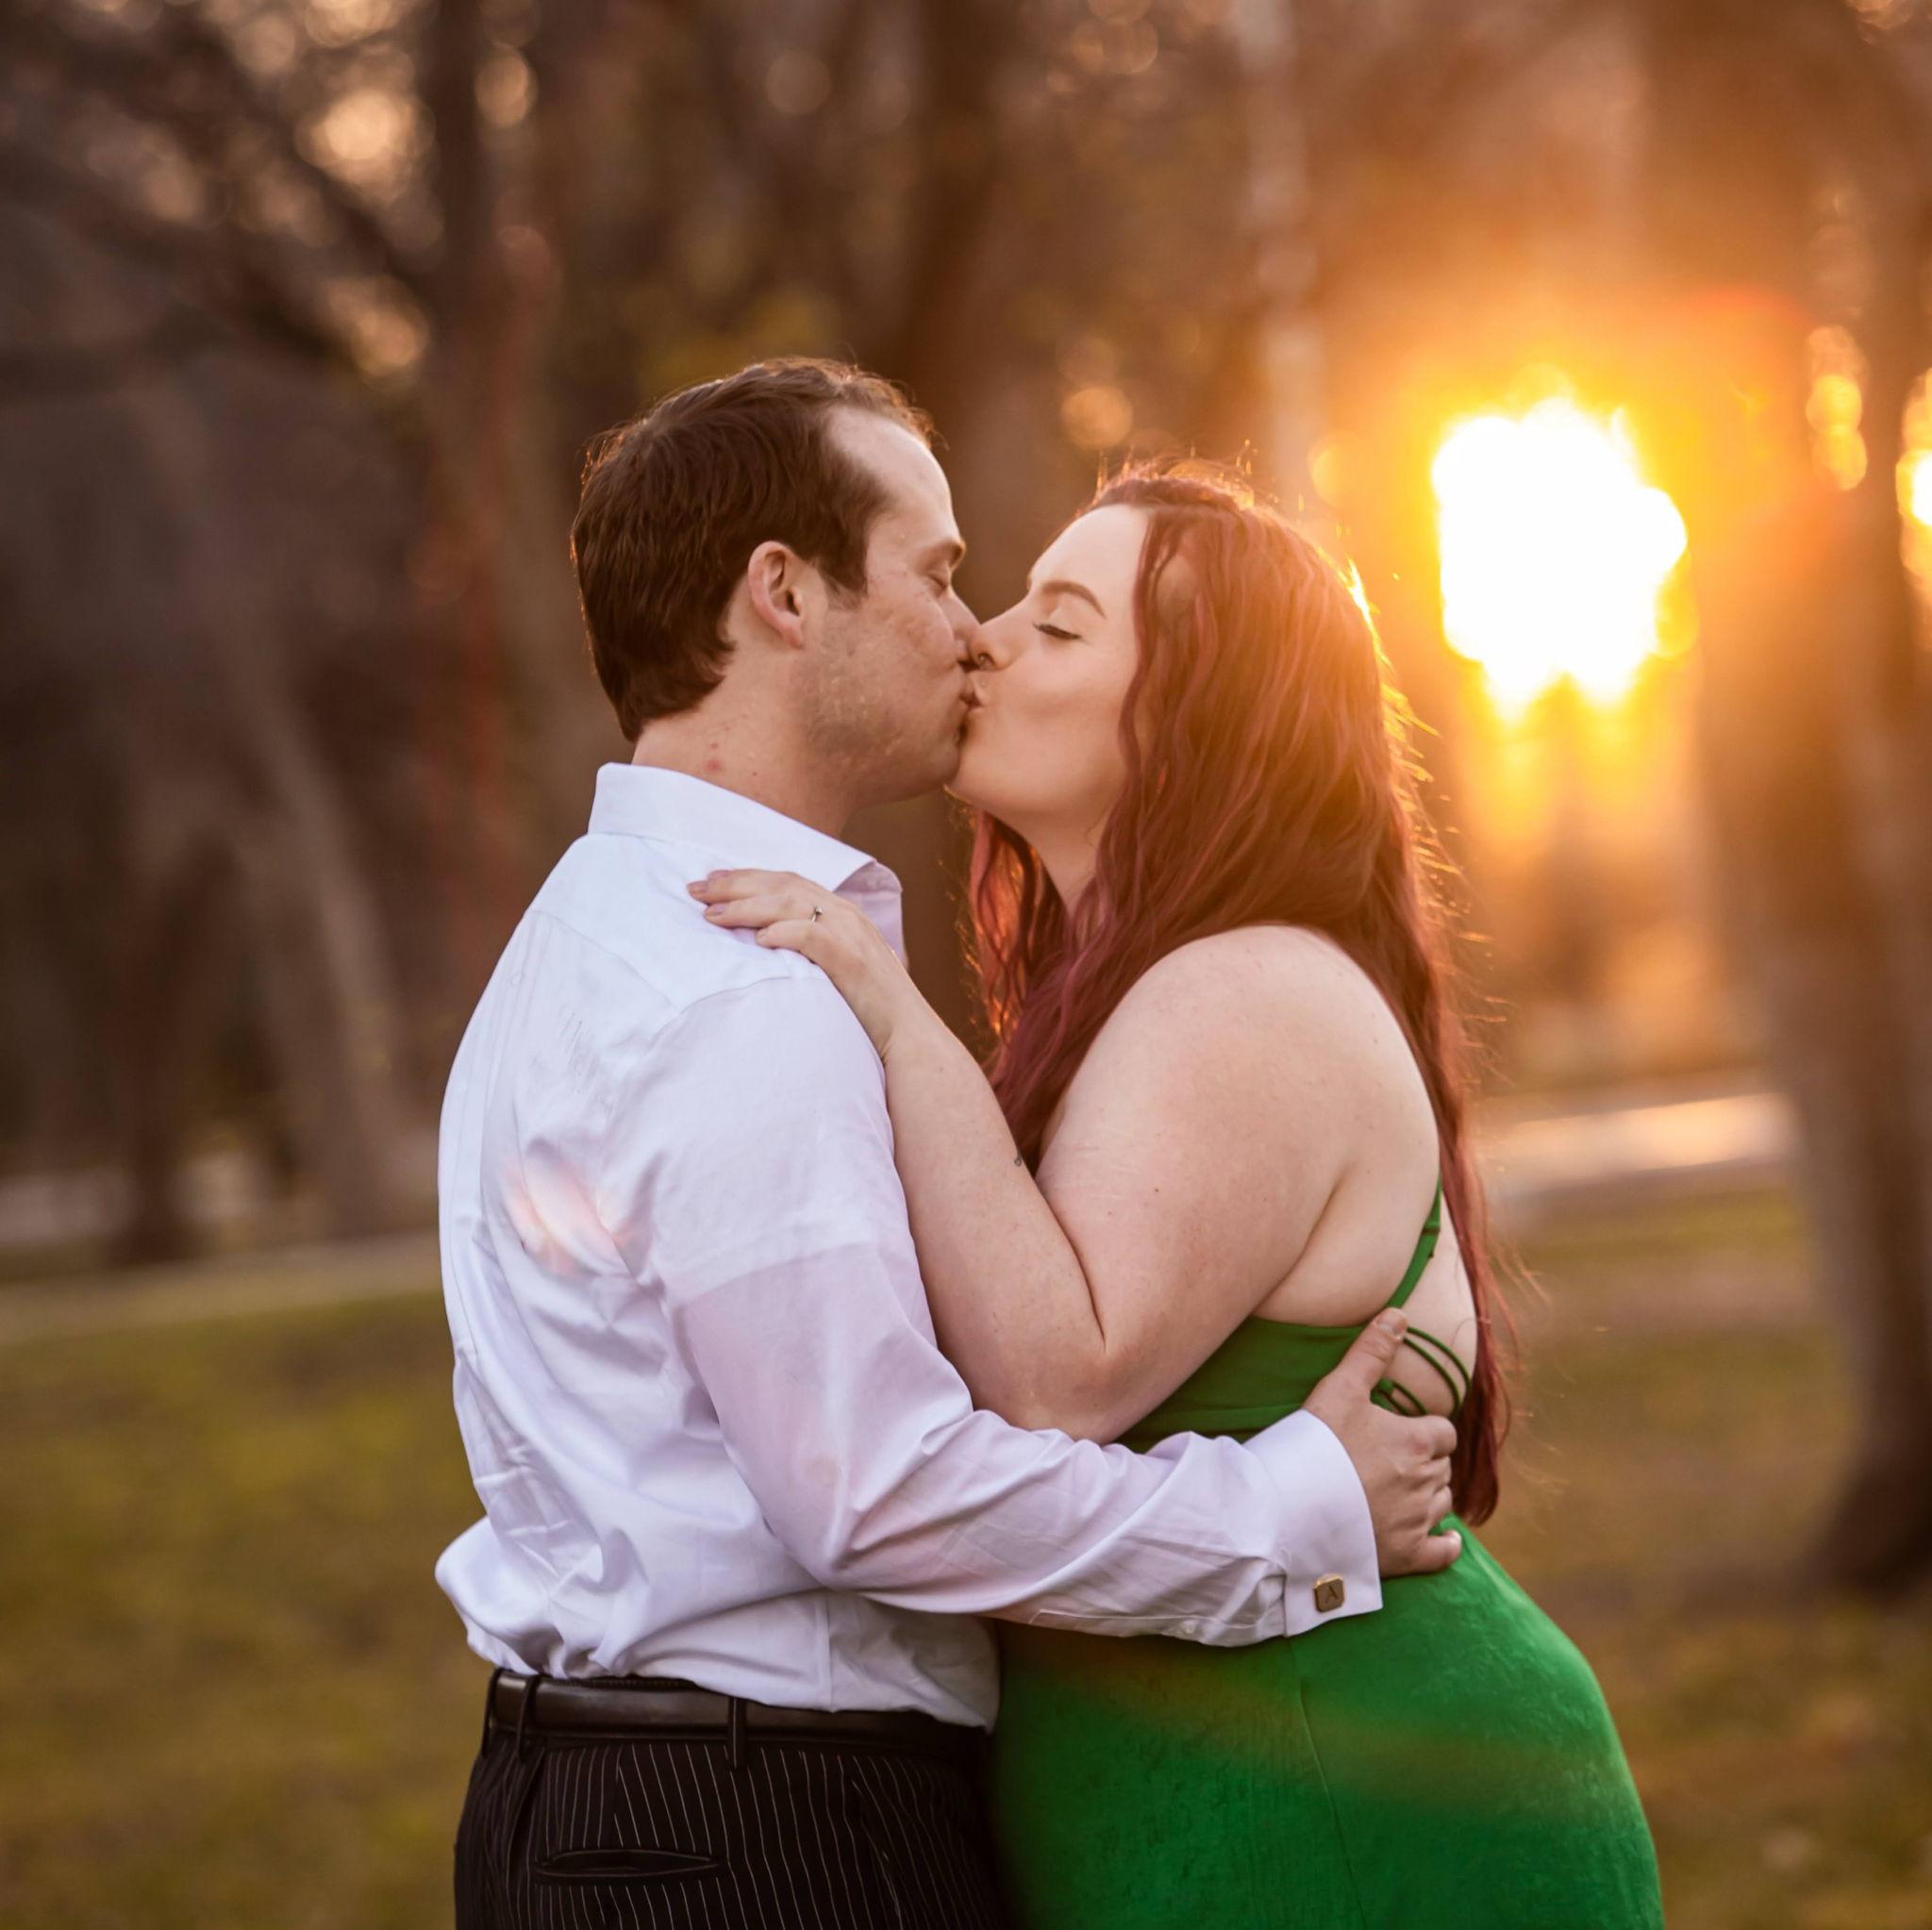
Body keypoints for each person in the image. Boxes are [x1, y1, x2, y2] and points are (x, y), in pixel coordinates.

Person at [435, 359, 1461, 1929]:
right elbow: (879, 1490)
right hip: (761, 1835)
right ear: (784, 594)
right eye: (940, 573)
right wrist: (1288, 1510)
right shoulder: (739, 985)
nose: (968, 630)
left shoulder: (581, 945)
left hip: (607, 1806)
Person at [697, 465, 1668, 1927]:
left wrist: (891, 1013)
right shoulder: (1156, 992)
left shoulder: (1242, 992)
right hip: (1215, 1794)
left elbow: (1053, 1377)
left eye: (1062, 625)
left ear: (1191, 722)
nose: (985, 640)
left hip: (1348, 1803)